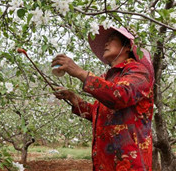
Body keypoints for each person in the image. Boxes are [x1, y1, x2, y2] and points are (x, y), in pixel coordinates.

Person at [51, 26, 154, 171]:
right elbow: (100, 115)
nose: (106, 43)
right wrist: (74, 99)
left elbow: (120, 96)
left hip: (130, 164)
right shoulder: (108, 78)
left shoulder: (139, 71)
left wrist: (80, 72)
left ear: (126, 47)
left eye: (112, 39)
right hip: (105, 163)